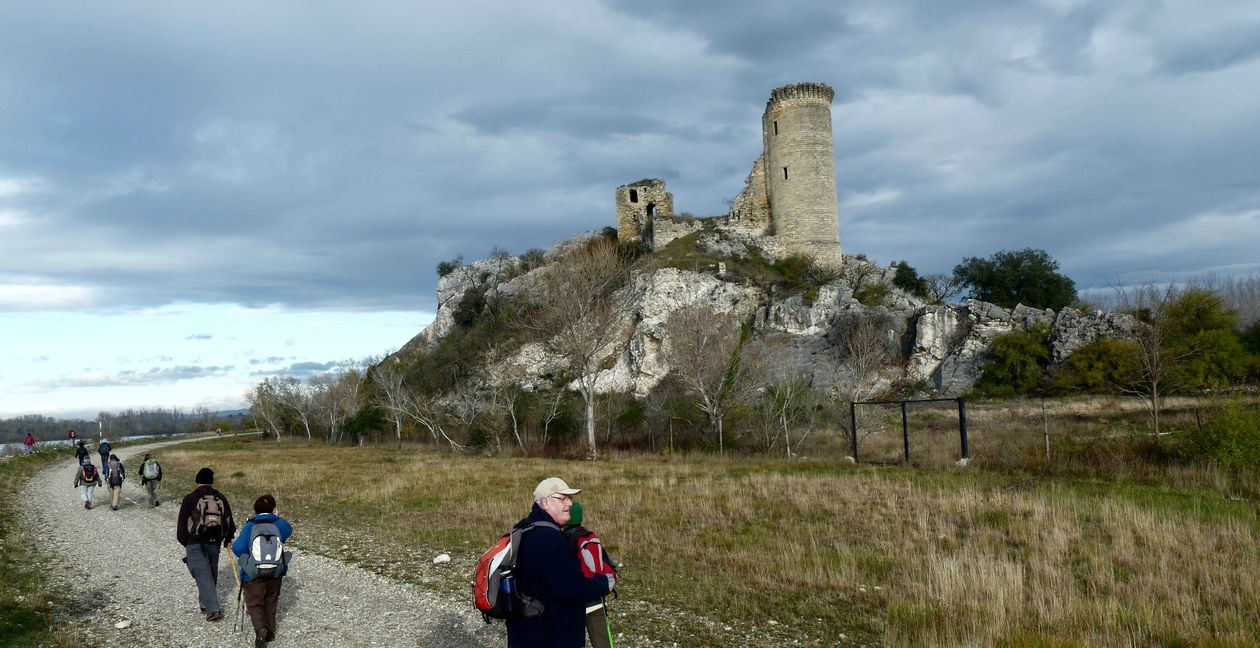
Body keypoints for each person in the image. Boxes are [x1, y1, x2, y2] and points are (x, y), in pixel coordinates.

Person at [506, 477, 615, 648]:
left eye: (569, 498)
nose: (570, 504)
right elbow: (574, 589)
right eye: (563, 498)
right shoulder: (550, 540)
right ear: (545, 502)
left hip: (525, 630)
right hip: (548, 635)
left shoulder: (524, 528)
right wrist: (604, 582)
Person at [232, 494, 293, 647]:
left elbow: (238, 548)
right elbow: (288, 531)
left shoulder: (250, 526)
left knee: (255, 602)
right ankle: (270, 632)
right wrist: (277, 517)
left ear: (255, 509)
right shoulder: (280, 524)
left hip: (254, 573)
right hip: (275, 570)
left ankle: (260, 629)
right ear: (273, 509)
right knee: (271, 600)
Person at [177, 468, 237, 622]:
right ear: (211, 481)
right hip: (214, 542)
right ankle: (206, 602)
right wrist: (227, 538)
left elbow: (181, 526)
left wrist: (187, 542)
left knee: (202, 574)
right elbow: (229, 522)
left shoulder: (190, 498)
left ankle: (213, 609)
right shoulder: (220, 498)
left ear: (197, 480)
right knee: (210, 573)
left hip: (194, 542)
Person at [561, 501, 618, 648]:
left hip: (573, 604)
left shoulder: (560, 540)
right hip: (596, 599)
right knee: (603, 643)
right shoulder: (590, 537)